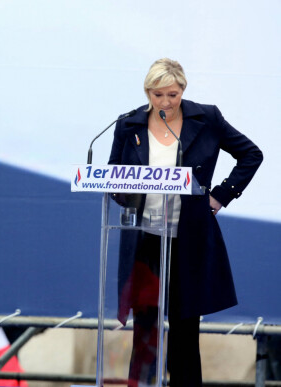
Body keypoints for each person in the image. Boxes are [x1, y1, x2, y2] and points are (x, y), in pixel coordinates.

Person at [108, 58, 263, 387]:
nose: (165, 102)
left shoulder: (206, 119)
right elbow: (113, 178)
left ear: (183, 90)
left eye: (173, 94)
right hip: (145, 238)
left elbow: (251, 154)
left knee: (184, 330)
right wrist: (125, 192)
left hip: (187, 239)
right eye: (158, 94)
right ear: (147, 92)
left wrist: (220, 196)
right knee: (145, 329)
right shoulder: (128, 125)